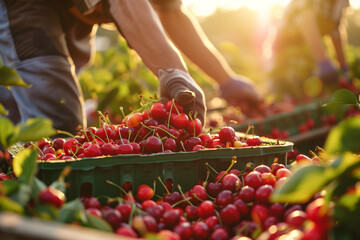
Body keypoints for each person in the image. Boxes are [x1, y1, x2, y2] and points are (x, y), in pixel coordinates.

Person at [0, 0, 261, 135]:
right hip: (24, 6)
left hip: (67, 13)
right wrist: (173, 72)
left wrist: (226, 79)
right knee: (57, 124)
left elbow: (171, 13)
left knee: (43, 103)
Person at [266, 0, 351, 100]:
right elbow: (305, 20)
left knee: (314, 96)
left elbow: (335, 30)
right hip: (285, 52)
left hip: (309, 53)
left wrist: (343, 67)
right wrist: (323, 61)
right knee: (287, 97)